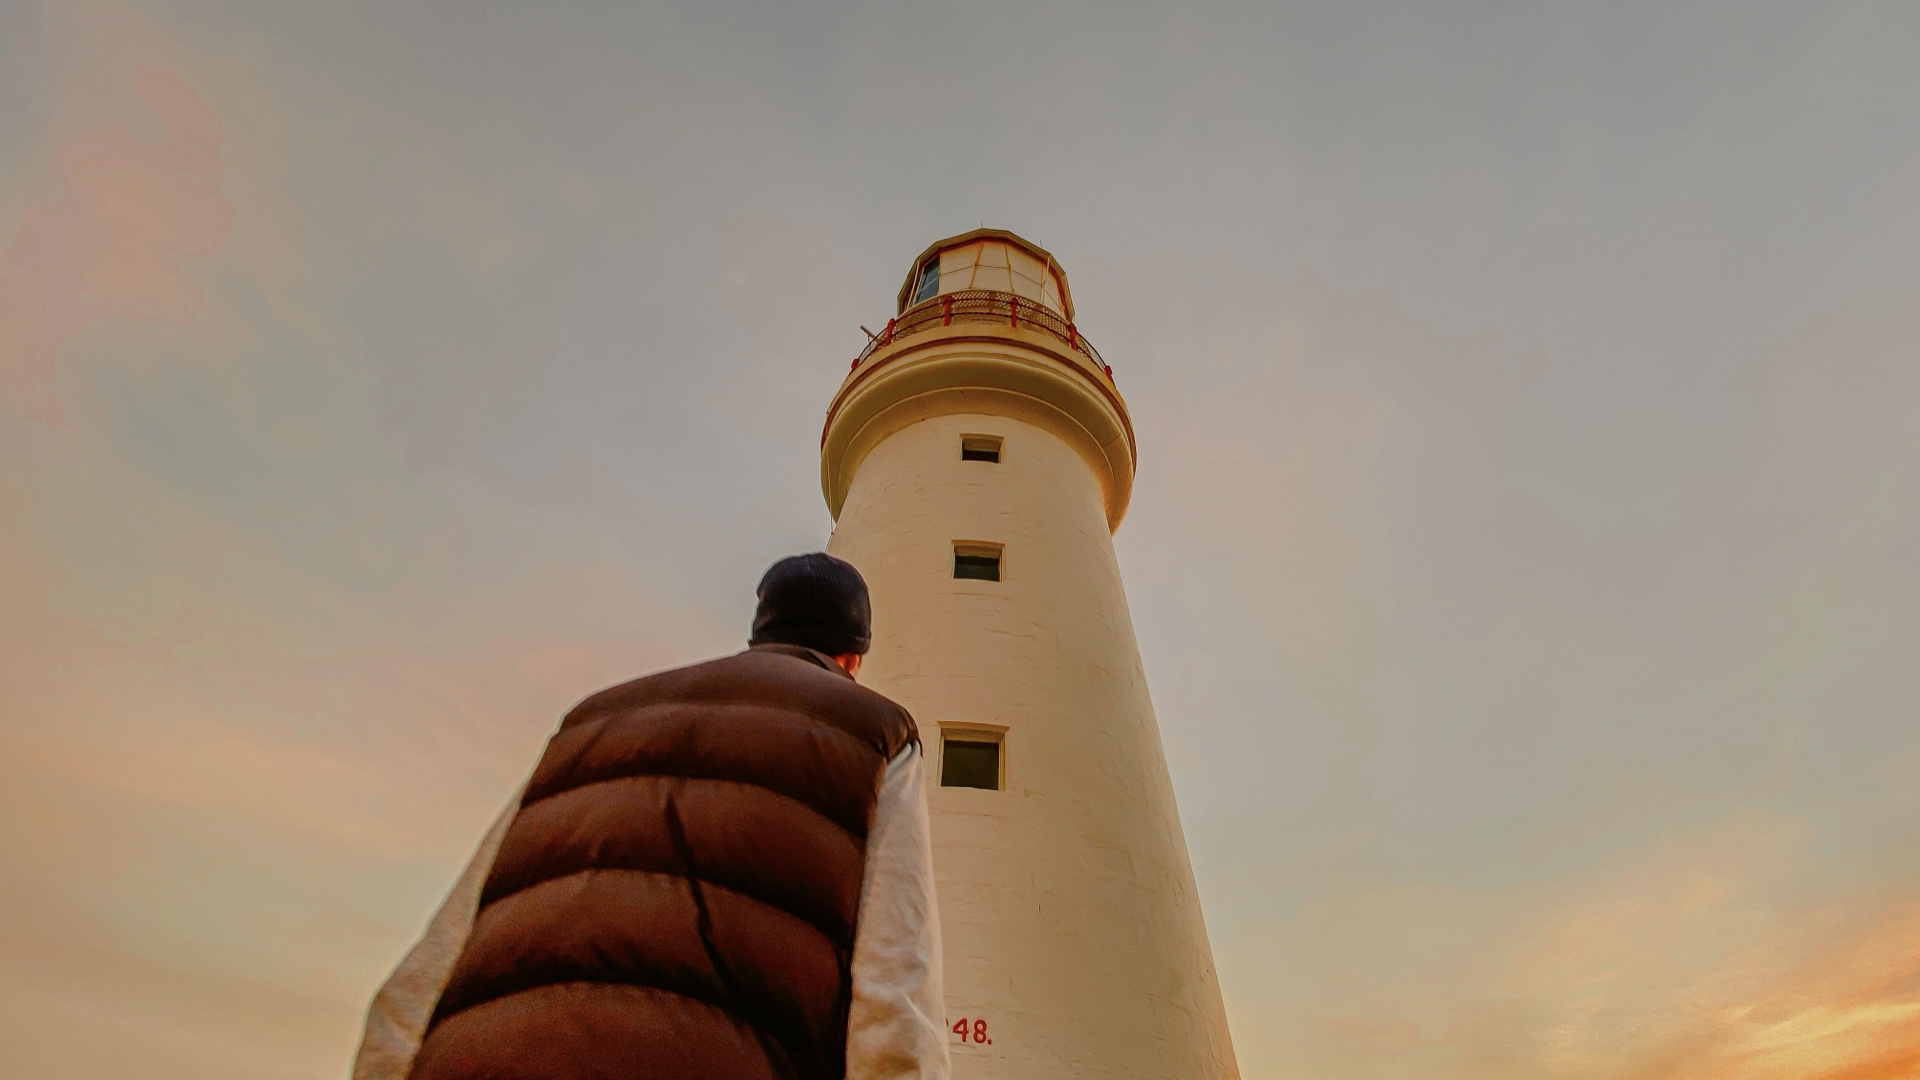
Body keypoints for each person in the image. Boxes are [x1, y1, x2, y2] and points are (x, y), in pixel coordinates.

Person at [351, 553, 948, 1080]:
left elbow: (431, 970)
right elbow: (894, 993)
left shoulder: (590, 721)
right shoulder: (877, 732)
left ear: (758, 630)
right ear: (853, 656)